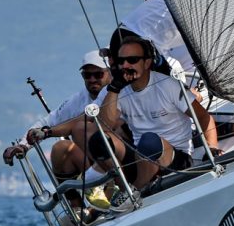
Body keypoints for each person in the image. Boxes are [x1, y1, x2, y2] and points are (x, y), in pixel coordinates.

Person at [90, 36, 220, 197]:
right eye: (121, 61)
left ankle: (133, 193)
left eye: (132, 60)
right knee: (99, 141)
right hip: (142, 157)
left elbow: (204, 117)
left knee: (149, 141)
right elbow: (105, 126)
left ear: (146, 63)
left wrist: (212, 148)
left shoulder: (168, 85)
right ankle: (124, 190)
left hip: (176, 158)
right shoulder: (119, 90)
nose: (125, 65)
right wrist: (114, 88)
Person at [2, 50, 110, 177]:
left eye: (98, 74)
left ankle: (111, 179)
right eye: (87, 75)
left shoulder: (120, 92)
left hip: (118, 155)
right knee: (61, 148)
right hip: (92, 160)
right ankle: (91, 185)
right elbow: (48, 122)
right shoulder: (78, 99)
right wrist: (23, 145)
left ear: (110, 72)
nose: (92, 79)